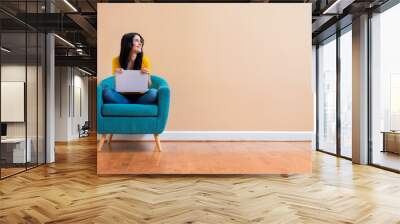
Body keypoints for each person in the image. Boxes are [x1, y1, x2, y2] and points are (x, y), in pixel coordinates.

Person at [109, 32, 157, 104]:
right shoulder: (116, 60)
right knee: (106, 92)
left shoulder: (144, 60)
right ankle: (129, 103)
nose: (140, 44)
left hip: (141, 96)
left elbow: (149, 85)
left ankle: (133, 103)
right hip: (123, 96)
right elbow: (117, 87)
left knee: (154, 93)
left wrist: (147, 76)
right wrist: (117, 75)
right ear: (128, 43)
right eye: (137, 40)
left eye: (140, 41)